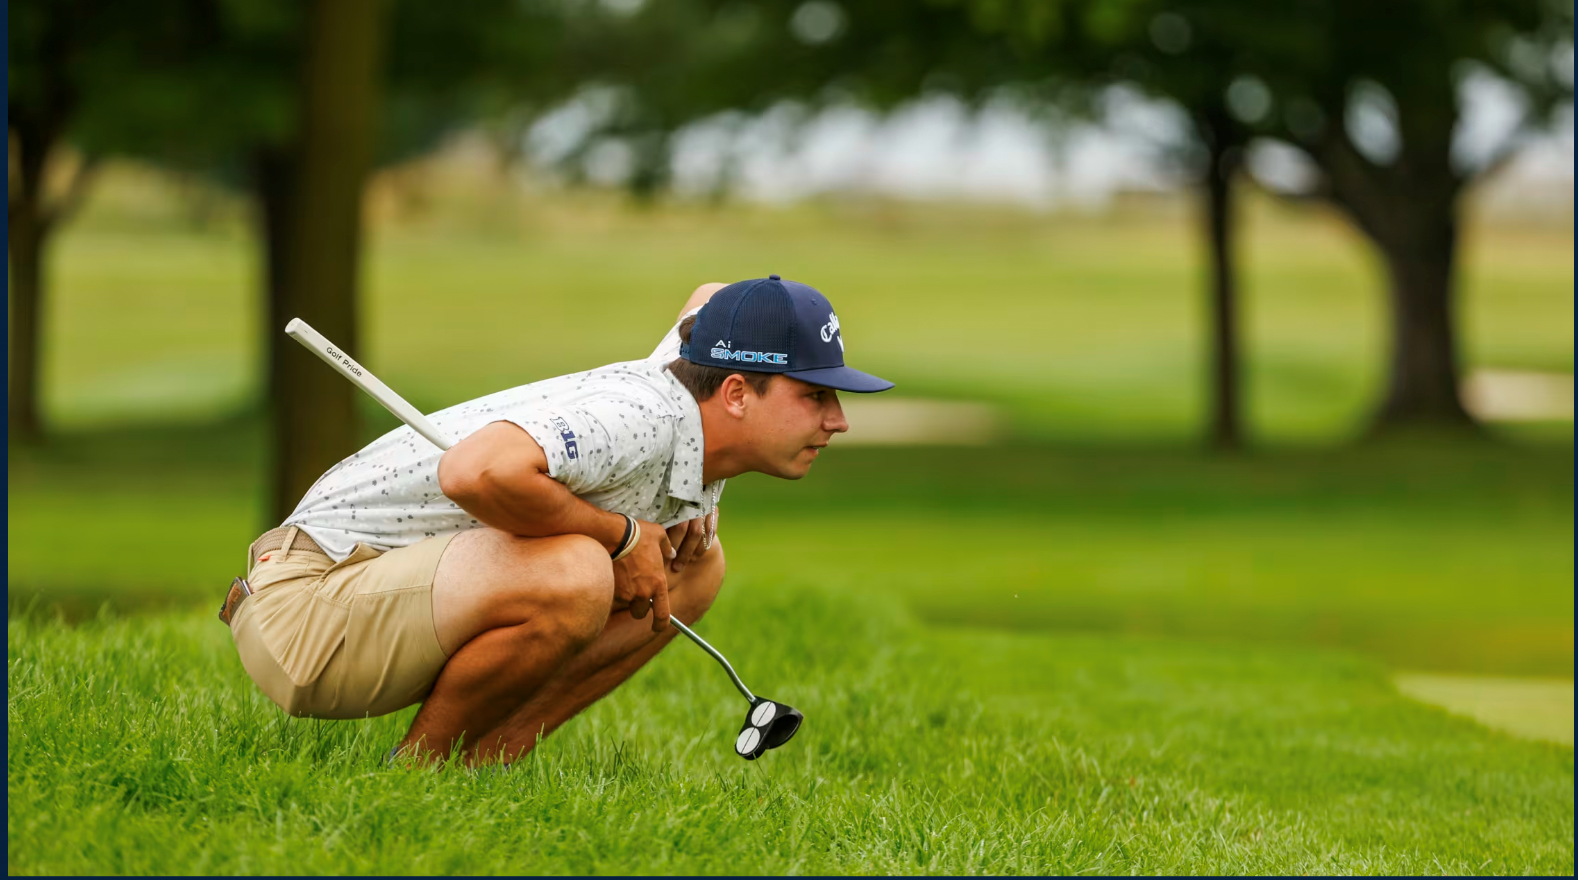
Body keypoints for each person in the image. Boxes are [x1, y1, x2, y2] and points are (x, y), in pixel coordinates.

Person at [219, 275, 894, 765]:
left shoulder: (696, 378)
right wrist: (621, 533)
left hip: (368, 599)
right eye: (815, 397)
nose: (836, 421)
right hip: (304, 614)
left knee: (692, 566)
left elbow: (707, 296)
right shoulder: (640, 414)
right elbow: (473, 472)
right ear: (739, 393)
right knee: (574, 572)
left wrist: (699, 504)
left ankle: (481, 764)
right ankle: (420, 776)